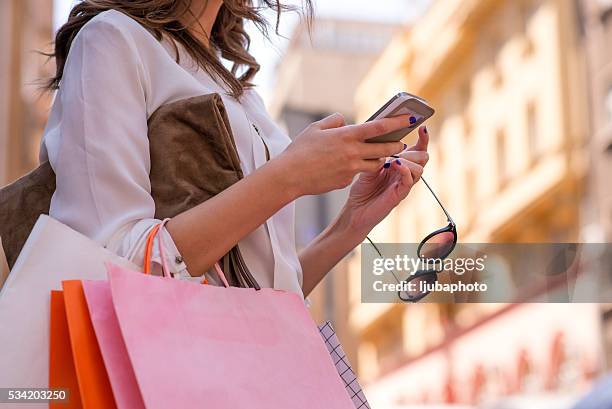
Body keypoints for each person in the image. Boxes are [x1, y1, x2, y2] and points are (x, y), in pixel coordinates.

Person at [41, 0, 430, 297]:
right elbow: (108, 262)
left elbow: (267, 296)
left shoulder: (242, 95)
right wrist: (289, 176)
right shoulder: (112, 39)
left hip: (257, 373)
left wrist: (351, 224)